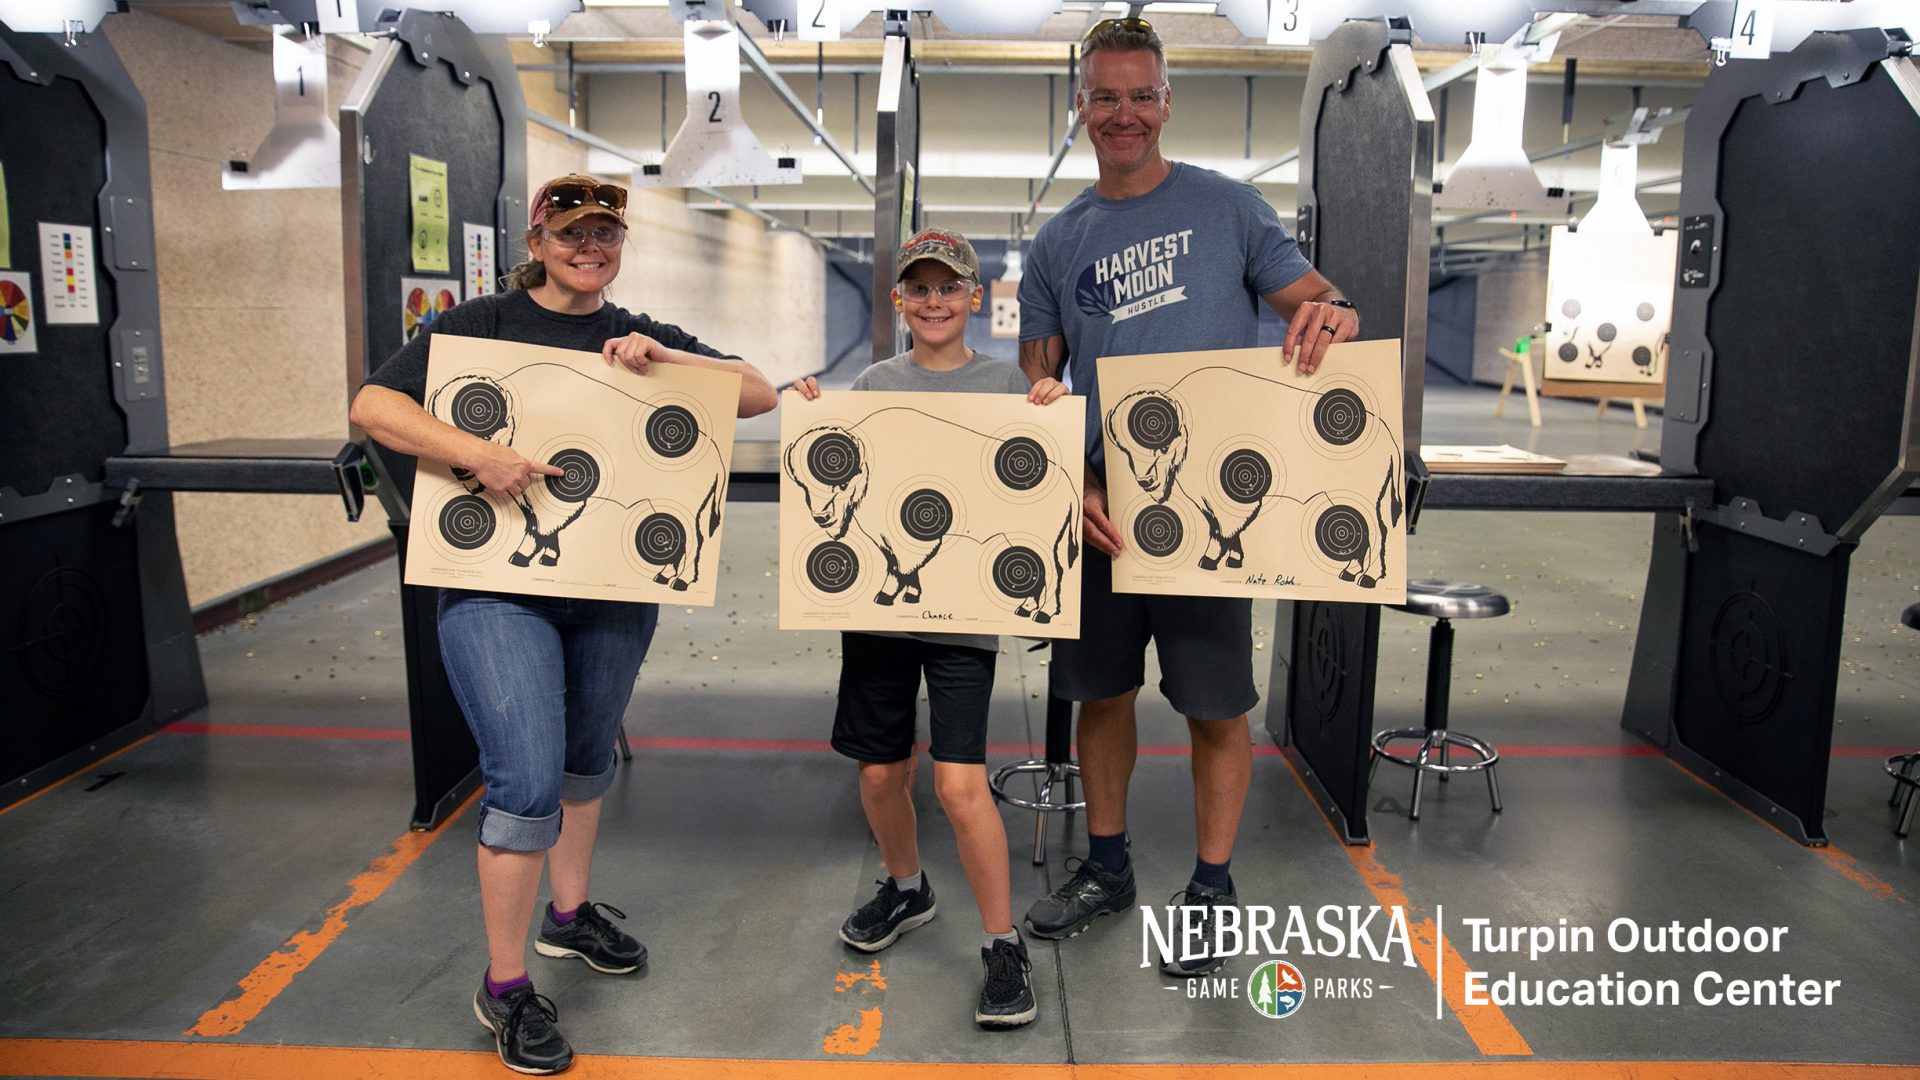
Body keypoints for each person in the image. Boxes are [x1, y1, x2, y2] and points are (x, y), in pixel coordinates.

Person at [350, 173, 777, 1074]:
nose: (593, 248)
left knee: (586, 757)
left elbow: (759, 393)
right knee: (526, 777)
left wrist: (665, 363)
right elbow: (373, 408)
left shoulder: (642, 335)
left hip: (614, 585)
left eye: (608, 235)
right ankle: (504, 991)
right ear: (538, 243)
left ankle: (569, 918)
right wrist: (476, 453)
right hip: (494, 588)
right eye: (574, 234)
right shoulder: (480, 325)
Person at [1015, 18, 1360, 977]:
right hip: (1103, 513)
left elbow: (1326, 304)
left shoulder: (1230, 211)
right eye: (1104, 95)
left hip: (1210, 509)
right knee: (1102, 694)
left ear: (1166, 102)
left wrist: (1334, 315)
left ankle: (1212, 886)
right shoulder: (1059, 242)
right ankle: (1110, 866)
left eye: (1140, 95)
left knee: (1215, 705)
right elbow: (1036, 387)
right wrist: (1072, 474)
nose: (1122, 113)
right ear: (1079, 105)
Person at [791, 227, 1069, 1028]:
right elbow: (838, 478)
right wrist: (816, 420)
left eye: (950, 287)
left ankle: (999, 941)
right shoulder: (874, 383)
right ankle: (908, 887)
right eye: (921, 288)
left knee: (956, 784)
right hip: (879, 615)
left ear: (976, 299)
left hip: (962, 625)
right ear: (900, 300)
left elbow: (1032, 490)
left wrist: (1046, 413)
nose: (936, 300)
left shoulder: (1007, 387)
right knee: (881, 775)